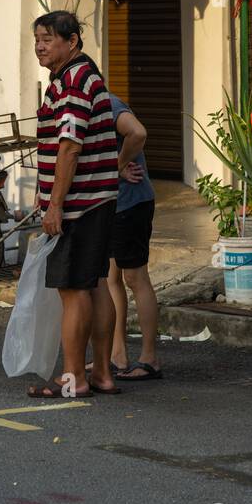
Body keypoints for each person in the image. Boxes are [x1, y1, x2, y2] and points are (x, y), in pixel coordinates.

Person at [28, 10, 119, 399]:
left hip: (80, 204)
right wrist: (43, 190)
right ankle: (100, 373)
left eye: (48, 38)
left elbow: (70, 145)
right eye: (37, 39)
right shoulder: (73, 77)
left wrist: (55, 205)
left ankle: (73, 377)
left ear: (72, 42)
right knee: (95, 284)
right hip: (94, 198)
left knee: (73, 289)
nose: (40, 46)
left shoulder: (76, 80)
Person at [107, 94, 162, 381]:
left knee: (135, 278)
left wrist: (118, 164)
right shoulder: (83, 104)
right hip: (113, 206)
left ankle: (149, 358)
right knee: (110, 278)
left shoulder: (109, 104)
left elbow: (138, 133)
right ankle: (117, 355)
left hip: (132, 204)